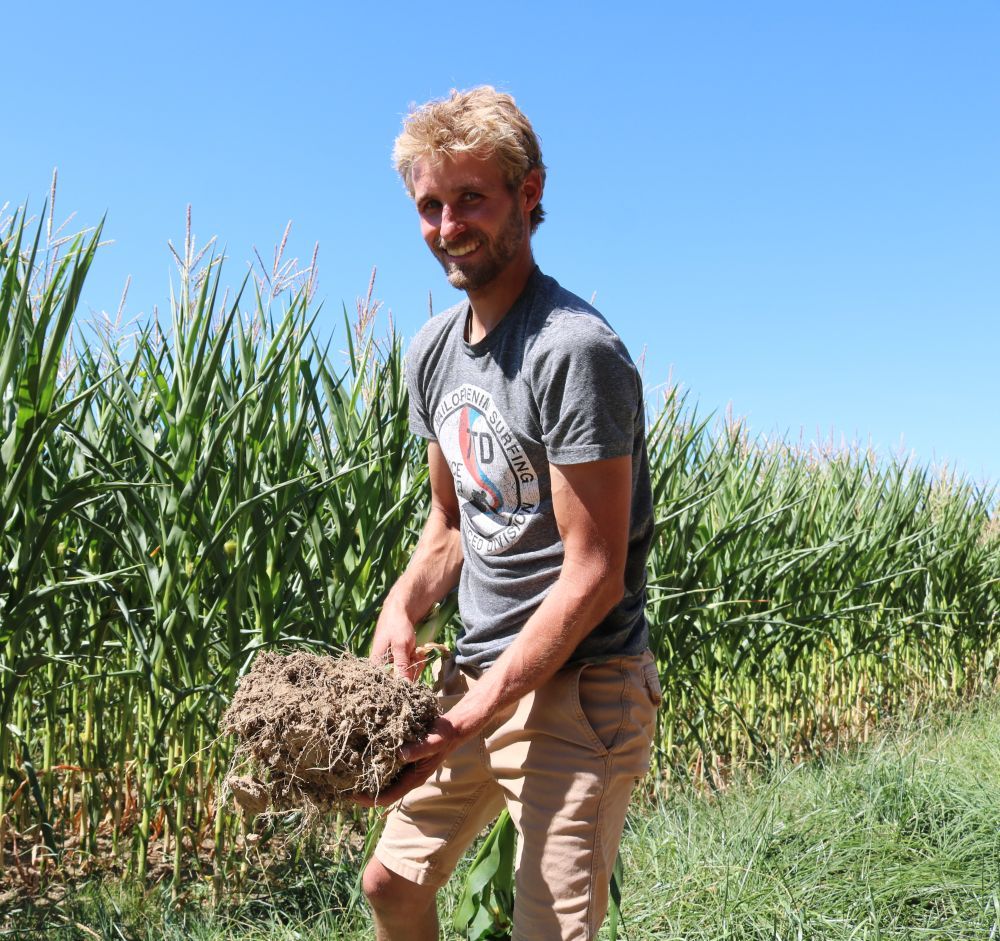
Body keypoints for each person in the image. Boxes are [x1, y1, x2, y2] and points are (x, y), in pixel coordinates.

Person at [361, 86, 661, 941]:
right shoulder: (431, 353)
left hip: (580, 688)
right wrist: (401, 605)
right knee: (391, 882)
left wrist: (469, 709)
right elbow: (451, 528)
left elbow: (594, 572)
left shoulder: (574, 350)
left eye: (471, 199)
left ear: (529, 194)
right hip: (476, 678)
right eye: (430, 204)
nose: (448, 225)